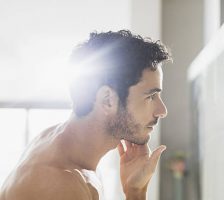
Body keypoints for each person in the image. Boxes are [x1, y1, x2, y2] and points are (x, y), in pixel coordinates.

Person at [0, 30, 171, 200]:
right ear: (107, 99)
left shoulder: (60, 145)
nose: (162, 111)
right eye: (150, 96)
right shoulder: (60, 186)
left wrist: (135, 191)